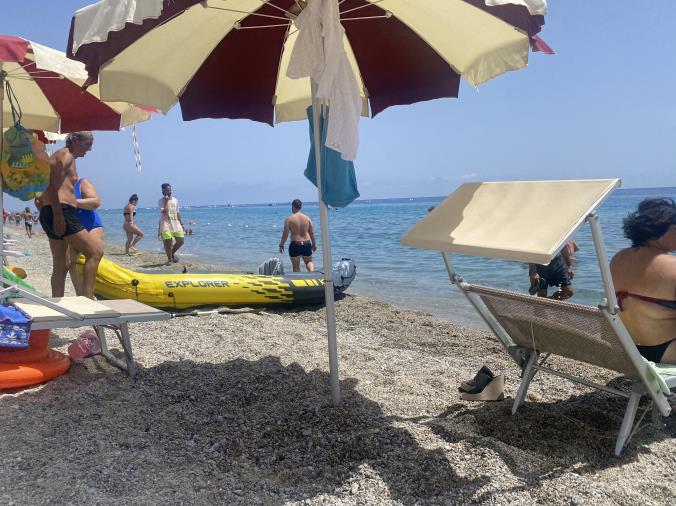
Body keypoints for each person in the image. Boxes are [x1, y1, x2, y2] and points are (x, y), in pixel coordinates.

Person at [610, 198, 676, 365]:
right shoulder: (672, 266)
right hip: (666, 351)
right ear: (657, 230)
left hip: (630, 349)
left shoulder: (618, 258)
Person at [38, 131, 102, 298]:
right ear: (74, 140)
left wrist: (49, 213)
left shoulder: (59, 156)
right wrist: (58, 216)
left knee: (61, 264)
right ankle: (88, 300)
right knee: (95, 253)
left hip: (49, 210)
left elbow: (42, 190)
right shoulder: (66, 156)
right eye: (87, 144)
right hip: (61, 210)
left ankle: (57, 304)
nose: (89, 149)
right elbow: (52, 186)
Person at [66, 178, 104, 296]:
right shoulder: (55, 187)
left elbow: (96, 202)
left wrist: (73, 202)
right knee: (70, 263)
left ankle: (89, 296)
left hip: (91, 226)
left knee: (94, 255)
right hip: (71, 228)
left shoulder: (82, 183)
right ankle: (80, 295)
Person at [279, 199, 317, 272]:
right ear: (300, 207)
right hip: (306, 243)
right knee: (309, 262)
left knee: (296, 266)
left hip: (295, 244)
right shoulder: (307, 218)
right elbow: (311, 232)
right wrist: (314, 244)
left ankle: (299, 281)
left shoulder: (289, 219)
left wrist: (281, 245)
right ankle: (312, 273)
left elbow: (285, 234)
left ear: (293, 206)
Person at [157, 183, 185, 266]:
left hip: (176, 223)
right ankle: (169, 260)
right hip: (165, 223)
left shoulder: (175, 200)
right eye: (167, 190)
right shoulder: (161, 201)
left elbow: (177, 213)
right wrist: (166, 200)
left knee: (181, 241)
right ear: (163, 191)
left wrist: (182, 224)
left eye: (170, 189)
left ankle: (171, 253)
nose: (169, 191)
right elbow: (165, 212)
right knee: (167, 243)